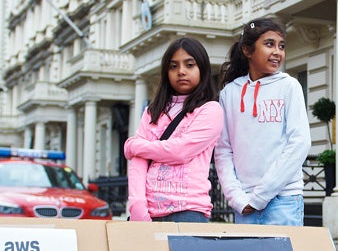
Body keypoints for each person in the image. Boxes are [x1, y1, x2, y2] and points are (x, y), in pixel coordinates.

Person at [214, 18, 311, 225]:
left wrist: (261, 196)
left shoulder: (289, 86)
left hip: (283, 200)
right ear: (248, 50)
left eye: (281, 46)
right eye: (269, 44)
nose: (277, 52)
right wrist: (236, 198)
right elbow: (223, 150)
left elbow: (299, 143)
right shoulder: (229, 93)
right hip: (244, 204)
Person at [123, 37, 223, 222]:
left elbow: (181, 151)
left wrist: (134, 146)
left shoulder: (210, 110)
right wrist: (138, 209)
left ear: (202, 69)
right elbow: (138, 163)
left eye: (190, 65)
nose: (181, 72)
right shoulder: (152, 111)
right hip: (146, 214)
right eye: (173, 66)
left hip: (187, 212)